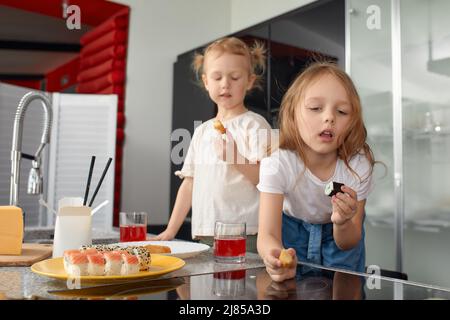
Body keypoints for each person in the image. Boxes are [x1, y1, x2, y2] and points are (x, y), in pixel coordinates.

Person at [151, 37, 273, 253]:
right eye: (217, 77)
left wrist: (235, 158)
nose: (225, 84)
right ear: (206, 82)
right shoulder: (201, 131)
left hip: (245, 236)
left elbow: (266, 181)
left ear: (249, 81)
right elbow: (189, 184)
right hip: (205, 235)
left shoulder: (255, 125)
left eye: (235, 77)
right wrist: (171, 231)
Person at [257, 61, 376, 282]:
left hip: (340, 237)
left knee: (346, 290)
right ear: (293, 114)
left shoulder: (358, 167)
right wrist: (273, 257)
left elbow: (349, 241)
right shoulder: (278, 163)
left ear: (352, 122)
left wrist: (342, 222)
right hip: (291, 231)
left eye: (341, 111)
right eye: (315, 108)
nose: (329, 117)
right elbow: (268, 234)